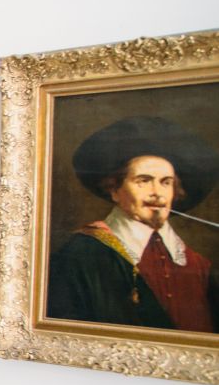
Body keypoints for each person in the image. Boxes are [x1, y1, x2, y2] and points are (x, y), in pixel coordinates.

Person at [46, 115, 219, 333]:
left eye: (166, 182)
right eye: (143, 181)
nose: (157, 193)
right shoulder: (79, 254)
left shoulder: (197, 264)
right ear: (114, 190)